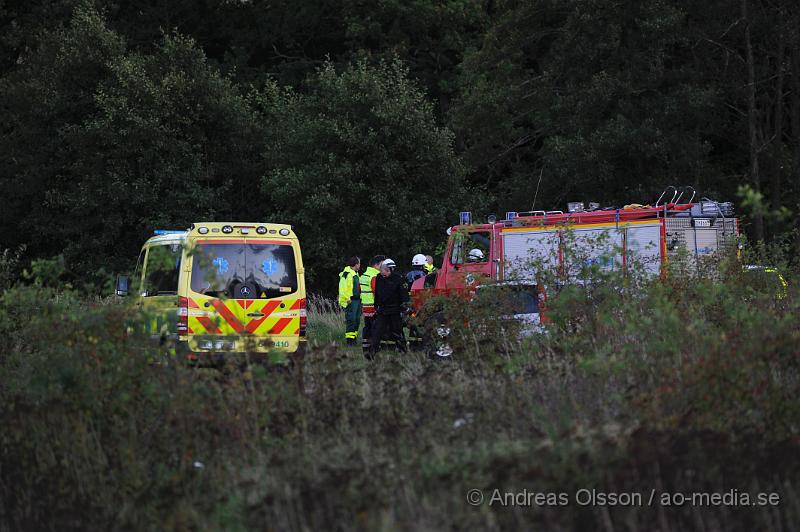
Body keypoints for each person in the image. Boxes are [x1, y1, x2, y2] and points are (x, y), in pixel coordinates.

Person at [371, 258, 408, 355]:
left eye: (386, 271)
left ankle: (402, 350)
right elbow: (377, 293)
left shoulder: (398, 278)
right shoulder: (379, 278)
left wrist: (404, 307)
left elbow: (403, 295)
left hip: (395, 310)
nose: (384, 273)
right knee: (377, 330)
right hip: (382, 310)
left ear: (391, 269)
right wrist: (376, 306)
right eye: (382, 271)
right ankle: (372, 351)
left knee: (397, 330)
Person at [359, 254, 385, 352]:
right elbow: (377, 292)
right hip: (374, 307)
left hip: (365, 307)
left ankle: (366, 347)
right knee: (376, 328)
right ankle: (374, 348)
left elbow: (359, 290)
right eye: (382, 265)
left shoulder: (364, 276)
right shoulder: (374, 276)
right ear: (377, 265)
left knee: (367, 327)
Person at [338, 256, 361, 345]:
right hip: (351, 301)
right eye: (359, 263)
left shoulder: (355, 273)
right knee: (351, 320)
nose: (360, 265)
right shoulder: (347, 273)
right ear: (355, 264)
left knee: (357, 320)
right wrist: (347, 299)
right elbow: (342, 287)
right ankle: (350, 341)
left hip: (357, 300)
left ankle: (354, 339)